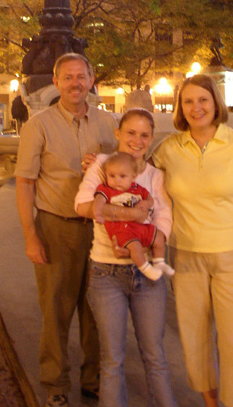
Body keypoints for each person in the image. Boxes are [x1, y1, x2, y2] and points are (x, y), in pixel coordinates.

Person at [152, 74, 233, 407]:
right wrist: (99, 165)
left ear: (215, 103)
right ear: (180, 107)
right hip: (186, 255)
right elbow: (134, 173)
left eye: (203, 100)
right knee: (194, 339)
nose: (197, 108)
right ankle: (210, 402)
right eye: (189, 101)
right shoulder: (169, 148)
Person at [15, 53, 118, 407]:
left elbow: (131, 172)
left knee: (97, 310)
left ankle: (94, 381)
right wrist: (31, 235)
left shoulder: (110, 124)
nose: (75, 83)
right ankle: (56, 385)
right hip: (56, 227)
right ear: (56, 83)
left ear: (92, 80)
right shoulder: (39, 126)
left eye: (81, 76)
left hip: (101, 230)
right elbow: (25, 183)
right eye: (68, 77)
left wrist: (105, 164)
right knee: (56, 310)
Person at [75, 108, 178, 407]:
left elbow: (164, 218)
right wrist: (132, 214)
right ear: (118, 133)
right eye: (130, 132)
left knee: (154, 355)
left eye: (144, 135)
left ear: (151, 138)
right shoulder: (102, 165)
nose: (137, 140)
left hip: (147, 276)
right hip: (106, 273)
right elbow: (82, 204)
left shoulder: (155, 176)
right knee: (112, 360)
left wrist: (150, 238)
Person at [93, 151, 174, 281]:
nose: (116, 180)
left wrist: (146, 203)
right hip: (122, 230)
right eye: (112, 176)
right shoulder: (106, 189)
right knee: (135, 247)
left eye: (122, 176)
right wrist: (97, 213)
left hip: (141, 227)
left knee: (159, 238)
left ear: (133, 176)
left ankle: (159, 264)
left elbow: (150, 198)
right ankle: (146, 269)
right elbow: (98, 201)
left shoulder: (137, 188)